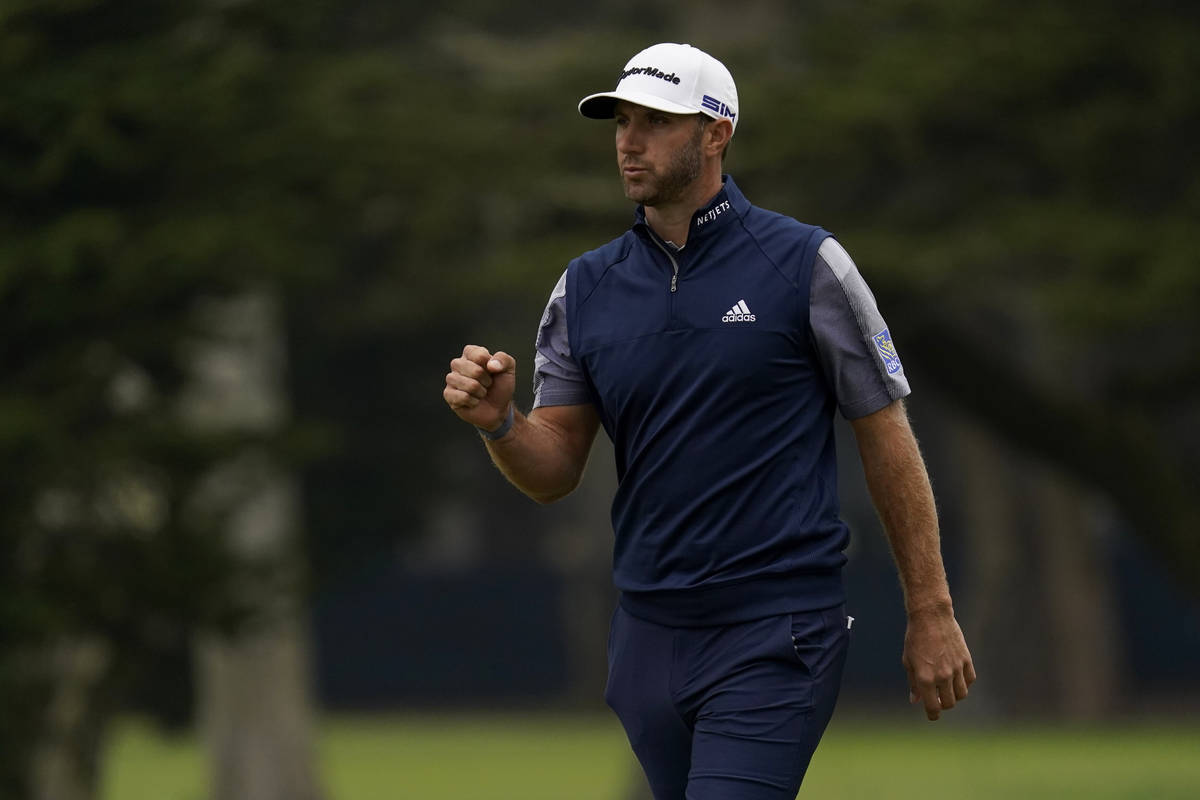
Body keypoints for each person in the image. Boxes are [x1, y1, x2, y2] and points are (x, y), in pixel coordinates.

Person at [442, 42, 975, 800]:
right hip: (648, 637)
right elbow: (555, 466)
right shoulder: (585, 288)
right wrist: (501, 423)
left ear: (715, 133)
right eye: (622, 121)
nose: (629, 140)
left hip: (777, 628)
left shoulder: (807, 266)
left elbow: (885, 435)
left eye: (656, 122)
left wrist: (932, 610)